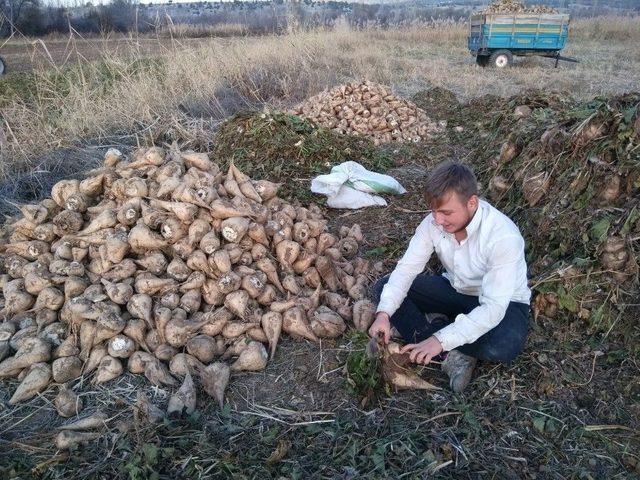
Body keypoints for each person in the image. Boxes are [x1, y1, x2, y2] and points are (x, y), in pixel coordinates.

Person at [369, 161, 531, 393]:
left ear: (472, 202)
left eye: (446, 212)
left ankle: (442, 338)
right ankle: (450, 346)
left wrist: (439, 340)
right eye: (434, 211)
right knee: (383, 288)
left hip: (503, 302)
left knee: (504, 346)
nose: (438, 220)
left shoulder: (502, 236)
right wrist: (384, 314)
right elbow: (406, 269)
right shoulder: (433, 224)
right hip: (455, 288)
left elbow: (494, 308)